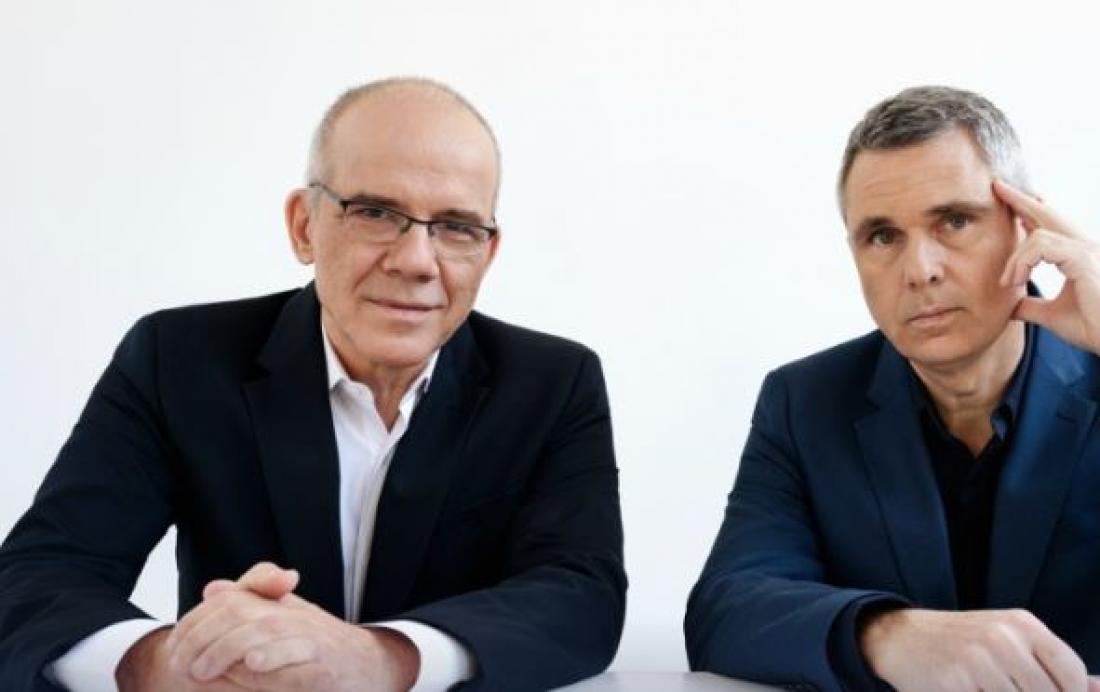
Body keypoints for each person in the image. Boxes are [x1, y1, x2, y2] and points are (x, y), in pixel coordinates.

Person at [0, 77, 626, 692]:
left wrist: (384, 659)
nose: (416, 261)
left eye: (456, 227)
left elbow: (582, 598)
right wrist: (163, 665)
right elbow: (35, 579)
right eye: (376, 213)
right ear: (304, 226)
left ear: (487, 254)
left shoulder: (552, 384)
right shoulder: (178, 360)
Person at [685, 85, 1100, 692]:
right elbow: (725, 611)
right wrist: (885, 633)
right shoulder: (805, 401)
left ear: (1028, 228)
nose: (919, 270)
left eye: (955, 221)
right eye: (883, 236)